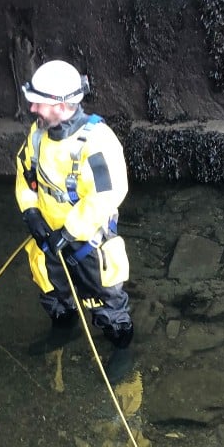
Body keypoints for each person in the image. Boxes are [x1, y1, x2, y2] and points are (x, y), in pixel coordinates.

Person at [15, 59, 135, 385]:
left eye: (39, 102)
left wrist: (70, 232)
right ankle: (63, 331)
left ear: (62, 105)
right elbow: (26, 174)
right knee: (53, 292)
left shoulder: (97, 143)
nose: (32, 108)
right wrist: (31, 212)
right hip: (48, 238)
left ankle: (123, 353)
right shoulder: (38, 135)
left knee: (108, 304)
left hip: (89, 244)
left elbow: (107, 194)